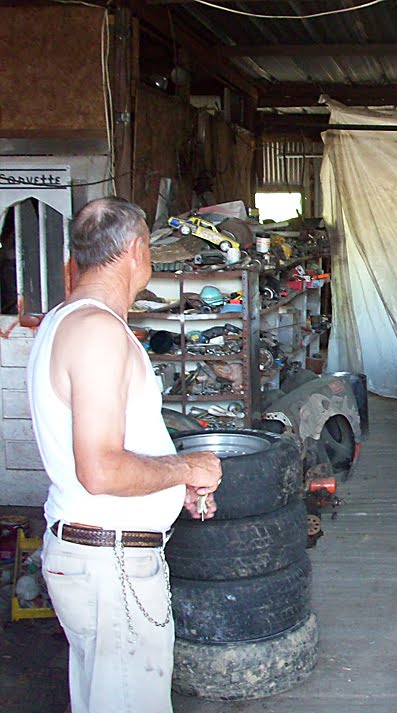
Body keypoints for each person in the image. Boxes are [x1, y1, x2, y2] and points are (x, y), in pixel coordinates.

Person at [26, 197, 223, 713]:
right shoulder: (96, 333)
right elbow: (99, 469)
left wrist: (169, 487)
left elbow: (105, 458)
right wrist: (188, 467)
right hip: (109, 565)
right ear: (136, 251)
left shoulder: (66, 322)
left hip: (100, 557)